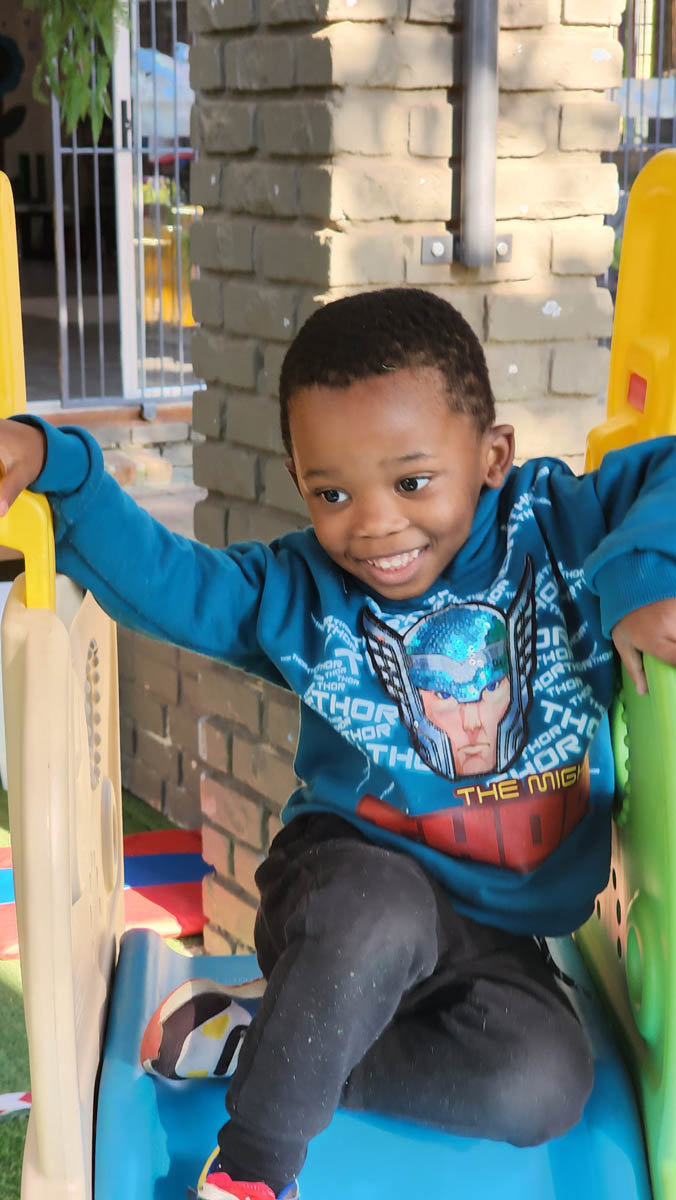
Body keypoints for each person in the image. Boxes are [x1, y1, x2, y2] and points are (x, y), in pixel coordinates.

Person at [2, 288, 676, 1200]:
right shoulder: (307, 594)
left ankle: (274, 1045)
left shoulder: (555, 529)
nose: (374, 523)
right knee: (380, 912)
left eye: (412, 482)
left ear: (493, 456)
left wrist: (644, 578)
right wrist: (64, 469)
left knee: (546, 1083)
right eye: (332, 493)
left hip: (493, 931)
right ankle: (251, 1168)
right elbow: (173, 584)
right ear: (300, 481)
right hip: (346, 886)